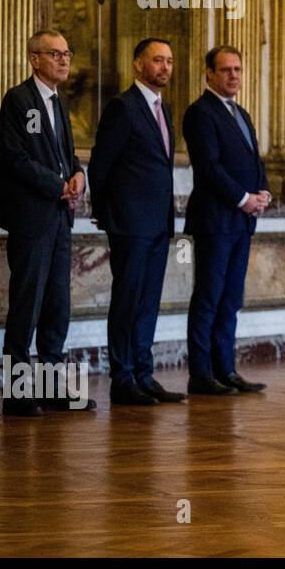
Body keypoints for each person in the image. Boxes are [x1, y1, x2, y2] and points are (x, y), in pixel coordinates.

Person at [0, 30, 92, 416]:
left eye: (67, 53)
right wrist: (58, 185)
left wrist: (78, 174)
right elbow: (14, 157)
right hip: (32, 217)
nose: (64, 60)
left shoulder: (58, 103)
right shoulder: (21, 100)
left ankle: (50, 388)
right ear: (34, 58)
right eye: (55, 54)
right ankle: (16, 394)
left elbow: (65, 154)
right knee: (27, 304)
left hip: (59, 218)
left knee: (56, 305)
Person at [88, 37, 185, 406]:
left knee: (148, 301)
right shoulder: (122, 108)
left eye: (170, 61)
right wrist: (105, 212)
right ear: (139, 65)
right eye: (158, 60)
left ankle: (144, 374)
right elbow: (101, 163)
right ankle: (123, 377)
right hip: (129, 224)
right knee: (127, 300)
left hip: (159, 223)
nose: (165, 67)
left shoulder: (166, 110)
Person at [182, 46, 270, 395]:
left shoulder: (242, 114)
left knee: (231, 299)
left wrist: (262, 192)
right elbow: (209, 168)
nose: (234, 76)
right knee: (209, 297)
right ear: (209, 74)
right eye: (226, 70)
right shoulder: (200, 113)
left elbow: (254, 162)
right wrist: (244, 199)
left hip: (241, 222)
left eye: (238, 69)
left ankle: (226, 369)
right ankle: (201, 374)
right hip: (215, 221)